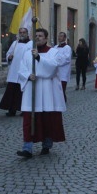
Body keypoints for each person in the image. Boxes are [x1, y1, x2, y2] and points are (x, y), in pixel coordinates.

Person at [16, 28, 66, 158]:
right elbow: (21, 69)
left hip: (48, 90)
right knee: (29, 119)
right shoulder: (27, 53)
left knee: (47, 119)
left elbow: (53, 69)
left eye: (40, 36)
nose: (37, 37)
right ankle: (27, 148)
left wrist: (38, 58)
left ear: (46, 38)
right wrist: (28, 75)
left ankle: (46, 144)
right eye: (36, 35)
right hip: (32, 91)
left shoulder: (53, 52)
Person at [0, 28, 33, 116]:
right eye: (20, 32)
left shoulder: (31, 44)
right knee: (12, 92)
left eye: (24, 32)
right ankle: (11, 110)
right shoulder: (15, 43)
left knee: (23, 91)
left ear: (27, 33)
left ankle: (23, 110)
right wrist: (9, 57)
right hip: (14, 71)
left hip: (24, 70)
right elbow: (8, 53)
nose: (22, 34)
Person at [54, 31, 73, 102]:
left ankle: (63, 101)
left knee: (62, 88)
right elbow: (52, 56)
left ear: (65, 38)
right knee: (56, 88)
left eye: (61, 36)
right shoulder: (55, 47)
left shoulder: (67, 48)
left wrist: (57, 59)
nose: (59, 37)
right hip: (56, 71)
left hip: (63, 71)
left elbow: (66, 59)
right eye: (59, 36)